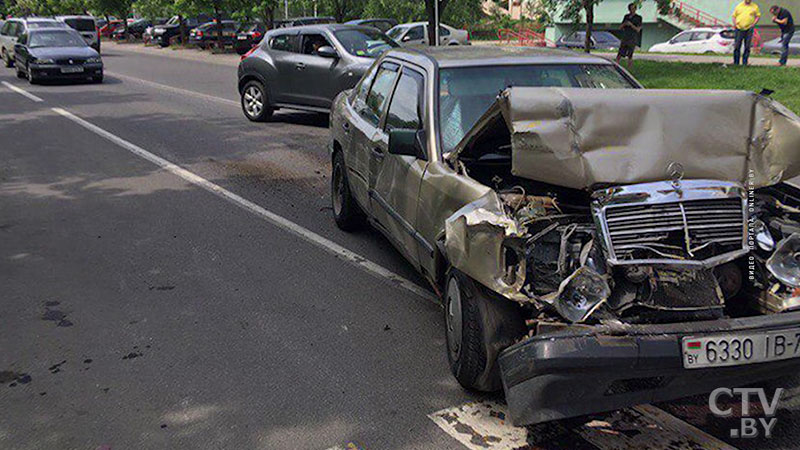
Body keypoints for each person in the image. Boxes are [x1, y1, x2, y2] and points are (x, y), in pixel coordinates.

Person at [732, 0, 761, 65]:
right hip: (739, 28)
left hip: (749, 28)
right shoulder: (739, 6)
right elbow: (734, 16)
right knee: (737, 46)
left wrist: (753, 24)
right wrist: (735, 24)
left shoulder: (755, 6)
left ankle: (745, 62)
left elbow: (758, 16)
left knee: (747, 46)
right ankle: (736, 62)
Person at [616, 2, 642, 69]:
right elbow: (620, 27)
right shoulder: (626, 17)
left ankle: (630, 67)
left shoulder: (638, 18)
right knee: (620, 53)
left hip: (632, 37)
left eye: (633, 9)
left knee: (630, 54)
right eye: (630, 9)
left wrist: (631, 25)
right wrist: (625, 24)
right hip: (625, 36)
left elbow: (638, 29)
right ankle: (616, 65)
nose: (632, 10)